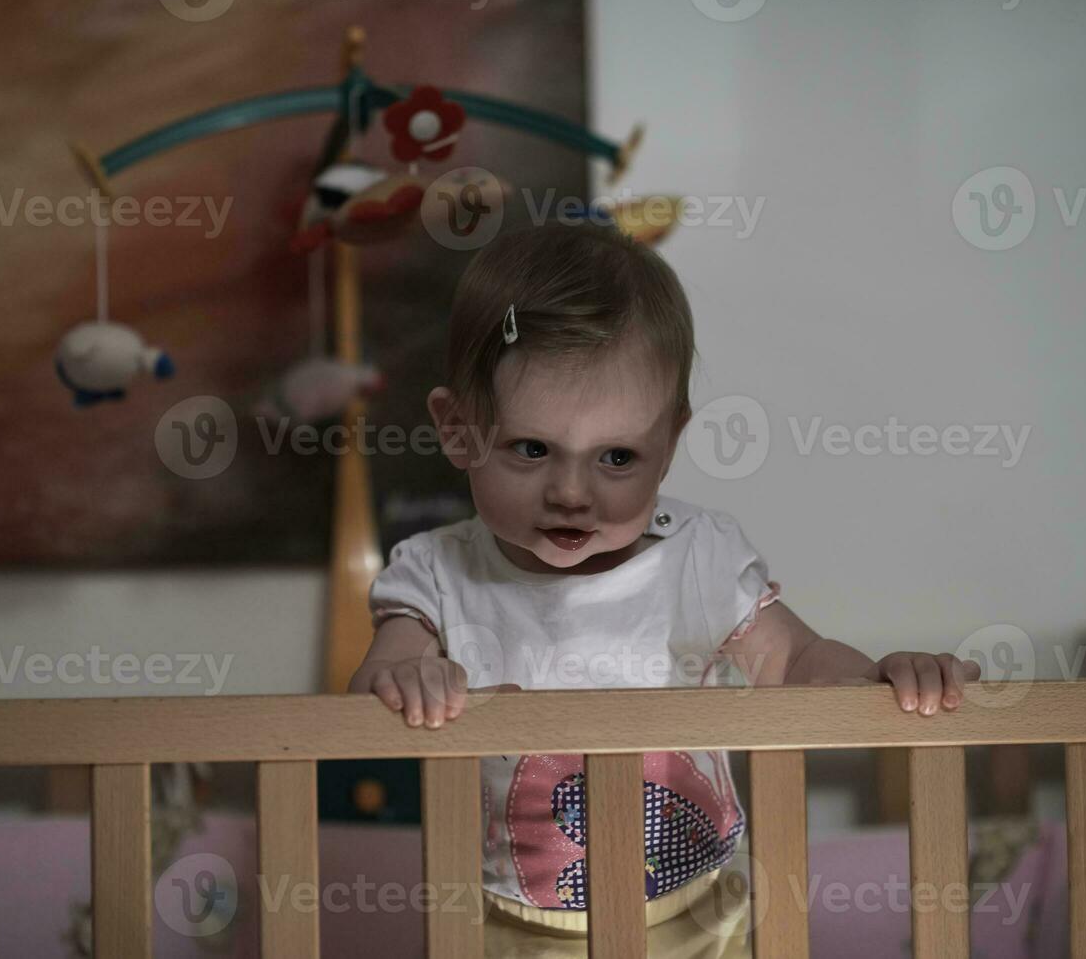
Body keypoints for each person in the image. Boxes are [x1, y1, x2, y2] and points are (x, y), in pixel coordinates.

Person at [348, 222, 979, 956]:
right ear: (457, 430)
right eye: (531, 449)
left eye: (616, 456)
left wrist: (878, 679)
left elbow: (795, 663)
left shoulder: (699, 558)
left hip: (701, 915)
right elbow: (378, 679)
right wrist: (408, 676)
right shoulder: (435, 572)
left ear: (668, 444)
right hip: (504, 923)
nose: (572, 493)